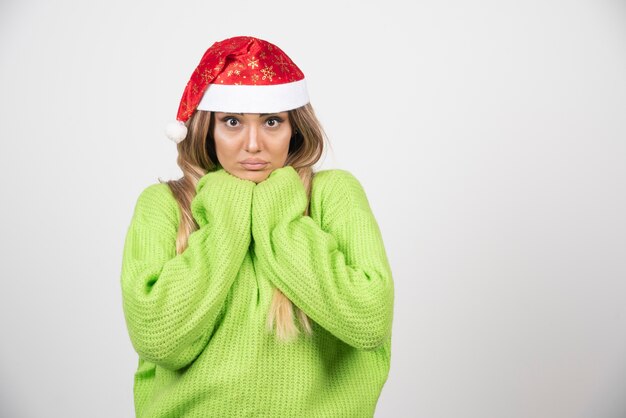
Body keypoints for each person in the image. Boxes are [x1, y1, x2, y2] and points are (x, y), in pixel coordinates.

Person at [120, 35, 395, 417]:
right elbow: (158, 339)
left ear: (294, 128)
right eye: (232, 122)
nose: (253, 144)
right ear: (207, 129)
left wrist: (277, 207)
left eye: (271, 122)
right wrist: (229, 209)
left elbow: (369, 321)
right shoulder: (165, 206)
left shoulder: (334, 194)